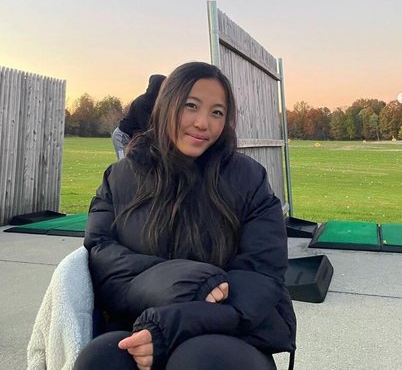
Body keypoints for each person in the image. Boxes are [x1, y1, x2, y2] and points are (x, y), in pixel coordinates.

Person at [76, 61, 296, 370]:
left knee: (198, 360)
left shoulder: (249, 179)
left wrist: (175, 324)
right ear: (166, 104)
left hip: (230, 331)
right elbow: (104, 262)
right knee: (102, 357)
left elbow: (261, 275)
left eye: (217, 112)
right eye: (190, 106)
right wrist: (189, 283)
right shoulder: (119, 179)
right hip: (137, 324)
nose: (203, 123)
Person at [111, 74, 166, 159]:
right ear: (157, 86)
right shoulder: (141, 102)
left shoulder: (157, 103)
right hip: (122, 136)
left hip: (134, 138)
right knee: (124, 162)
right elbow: (146, 126)